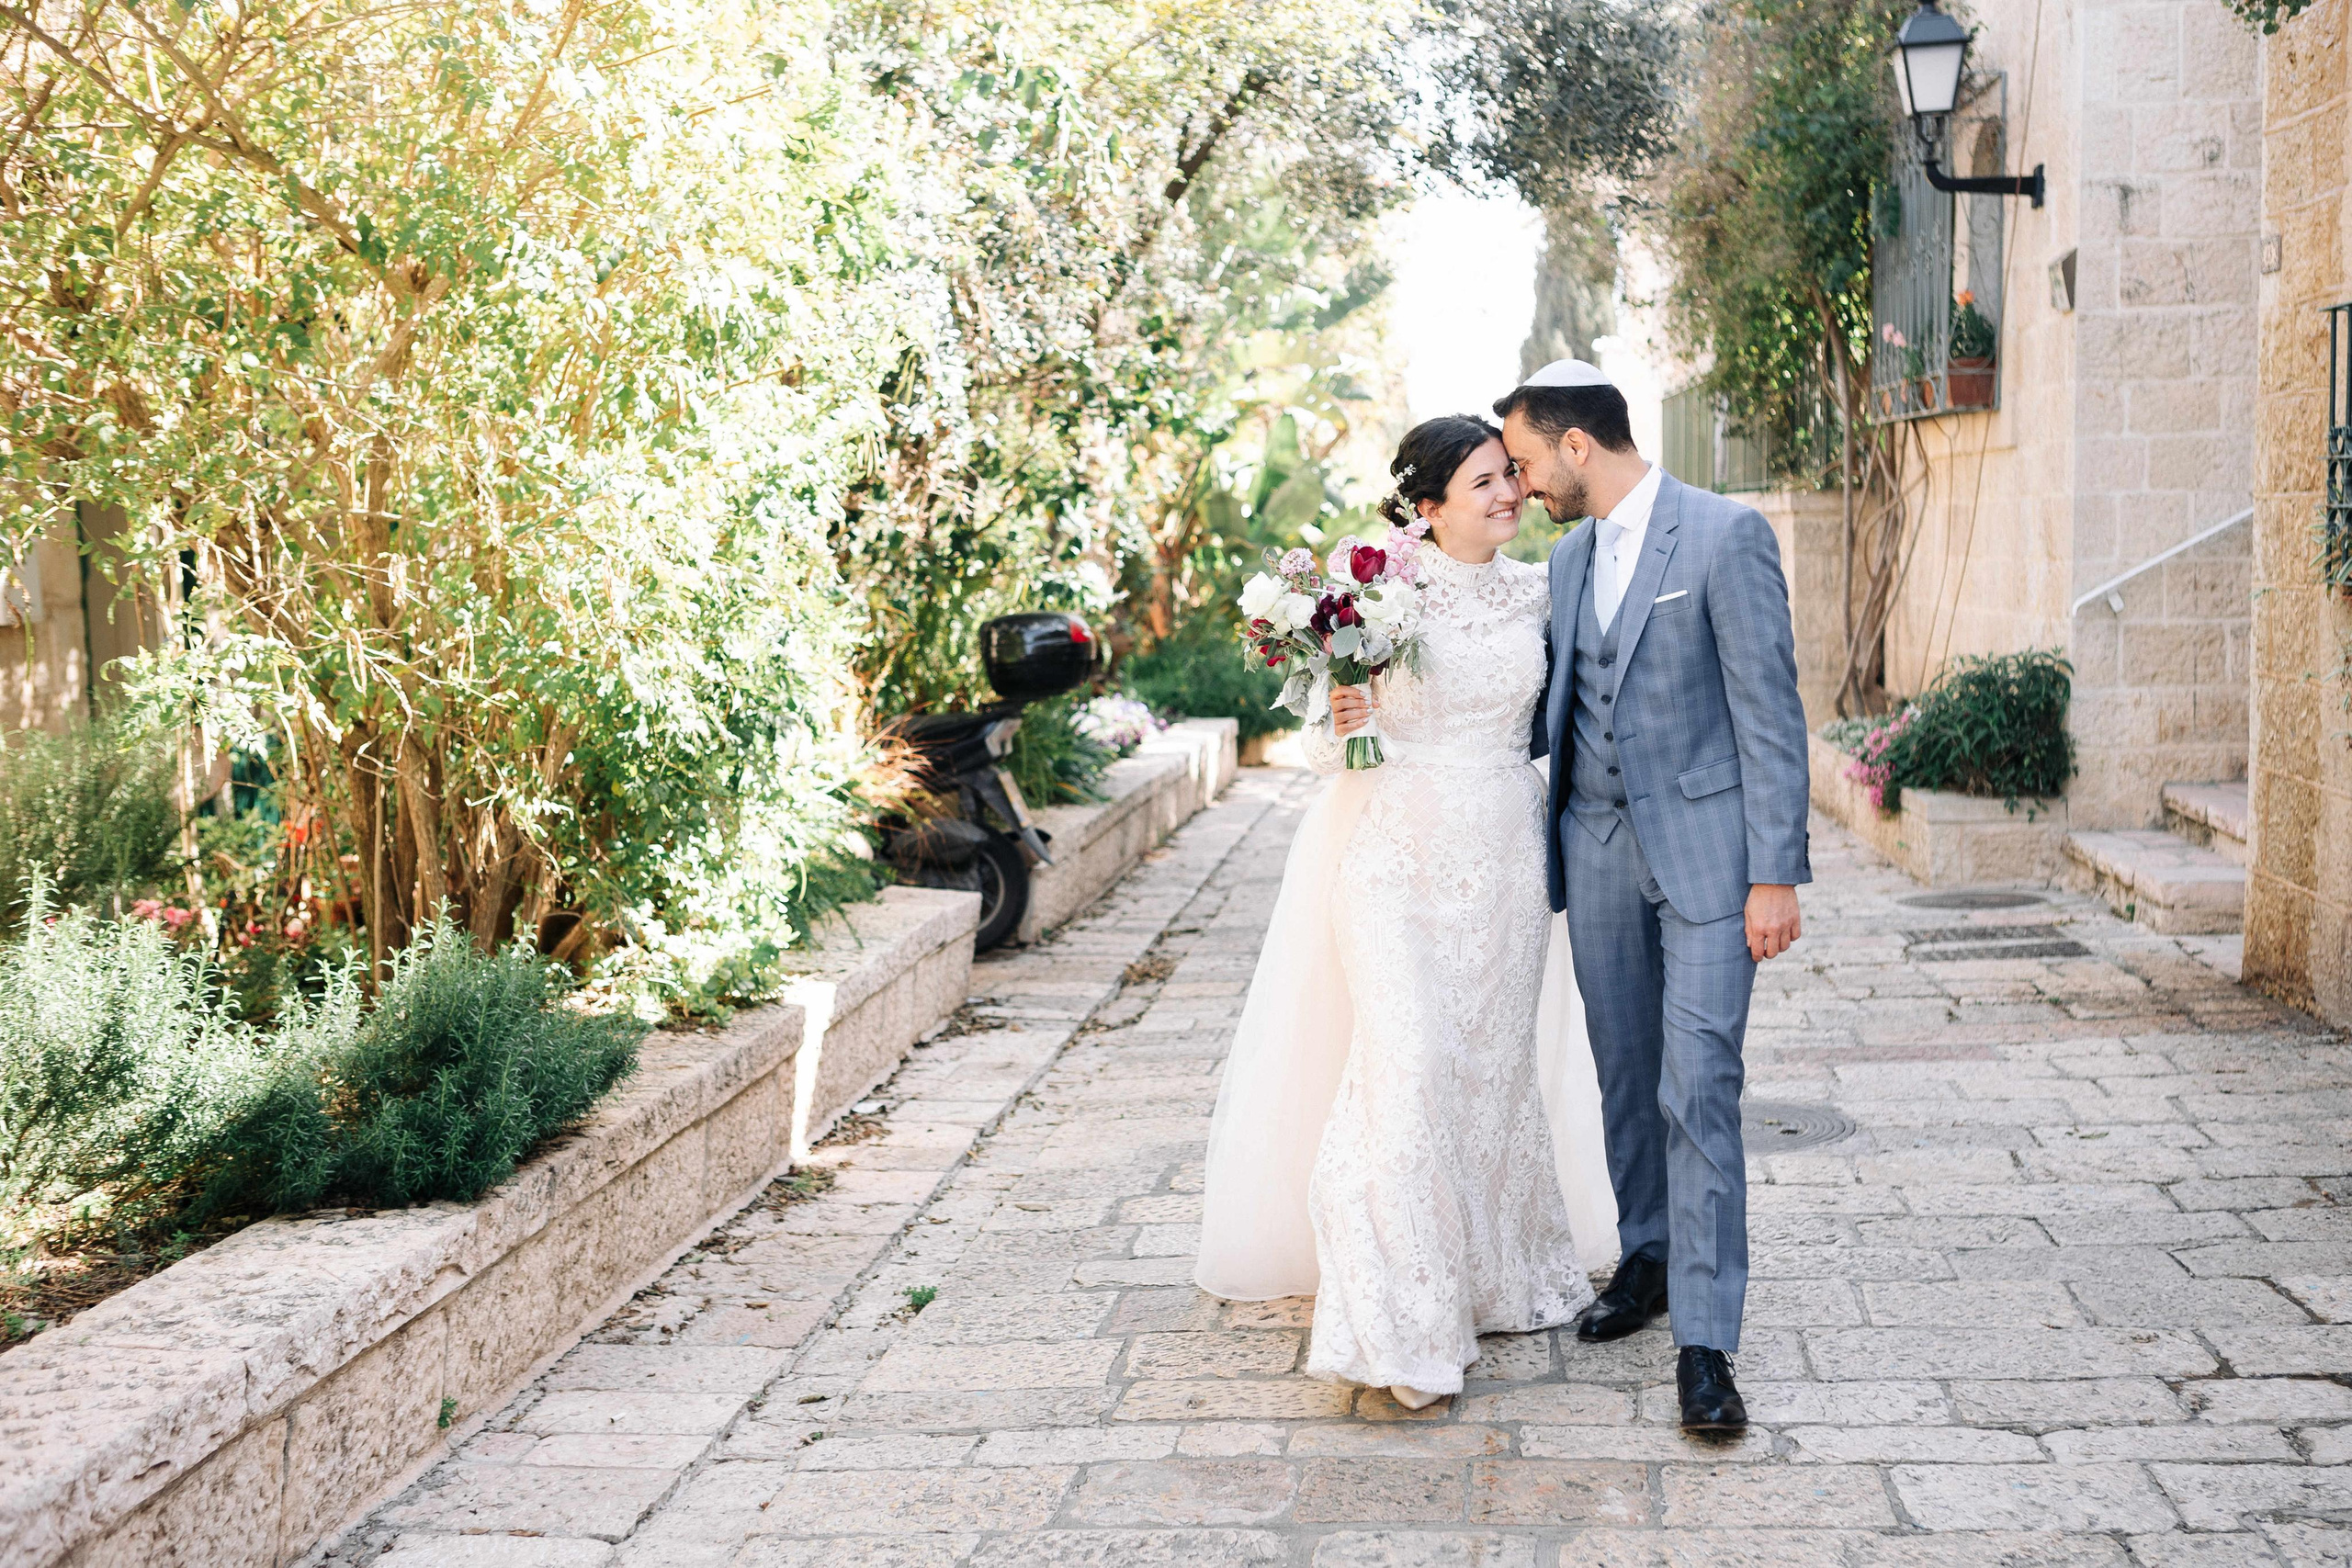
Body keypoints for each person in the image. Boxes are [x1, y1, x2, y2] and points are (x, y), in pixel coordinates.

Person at [1194, 413, 1616, 1411]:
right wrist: (1343, 721)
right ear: (1427, 508)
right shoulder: (1373, 592)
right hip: (1393, 855)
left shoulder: (1542, 590)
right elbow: (1321, 747)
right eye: (1483, 484)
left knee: (1486, 1066)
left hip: (1507, 858)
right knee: (1409, 1061)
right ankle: (1398, 1322)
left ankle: (1486, 1275)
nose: (1510, 495)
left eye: (1511, 477)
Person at [1498, 358, 1811, 1434]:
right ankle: (1648, 1259)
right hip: (1594, 851)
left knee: (1700, 1083)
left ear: (1576, 445)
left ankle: (1707, 1344)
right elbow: (1543, 706)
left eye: (1531, 462)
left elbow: (1769, 711)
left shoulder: (1726, 537)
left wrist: (1776, 872)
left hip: (1713, 862)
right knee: (1625, 1077)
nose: (1526, 483)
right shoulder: (1569, 556)